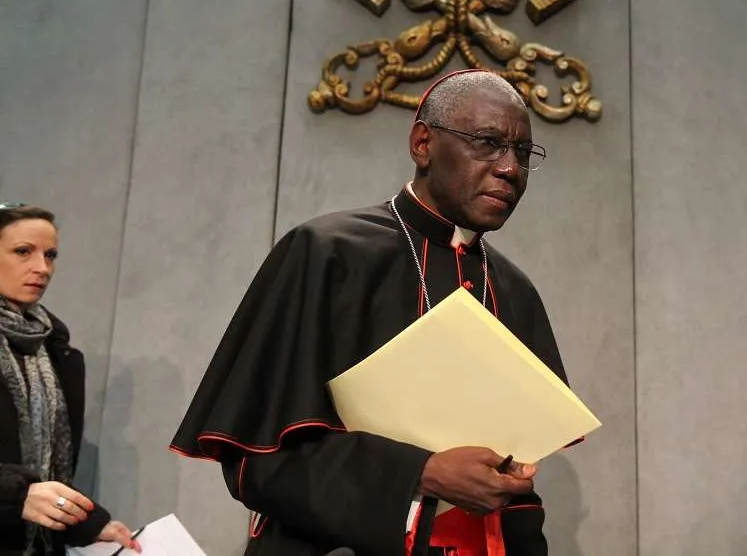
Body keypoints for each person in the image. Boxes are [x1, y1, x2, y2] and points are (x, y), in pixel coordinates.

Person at [170, 69, 577, 556]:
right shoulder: (326, 253)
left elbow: (517, 484)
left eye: (522, 153)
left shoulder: (516, 292)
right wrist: (421, 472)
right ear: (423, 144)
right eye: (488, 143)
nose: (510, 168)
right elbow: (256, 462)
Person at [0, 203, 141, 555]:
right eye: (23, 251)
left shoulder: (56, 352)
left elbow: (48, 472)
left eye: (50, 255)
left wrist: (89, 525)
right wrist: (13, 496)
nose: (42, 268)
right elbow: (26, 490)